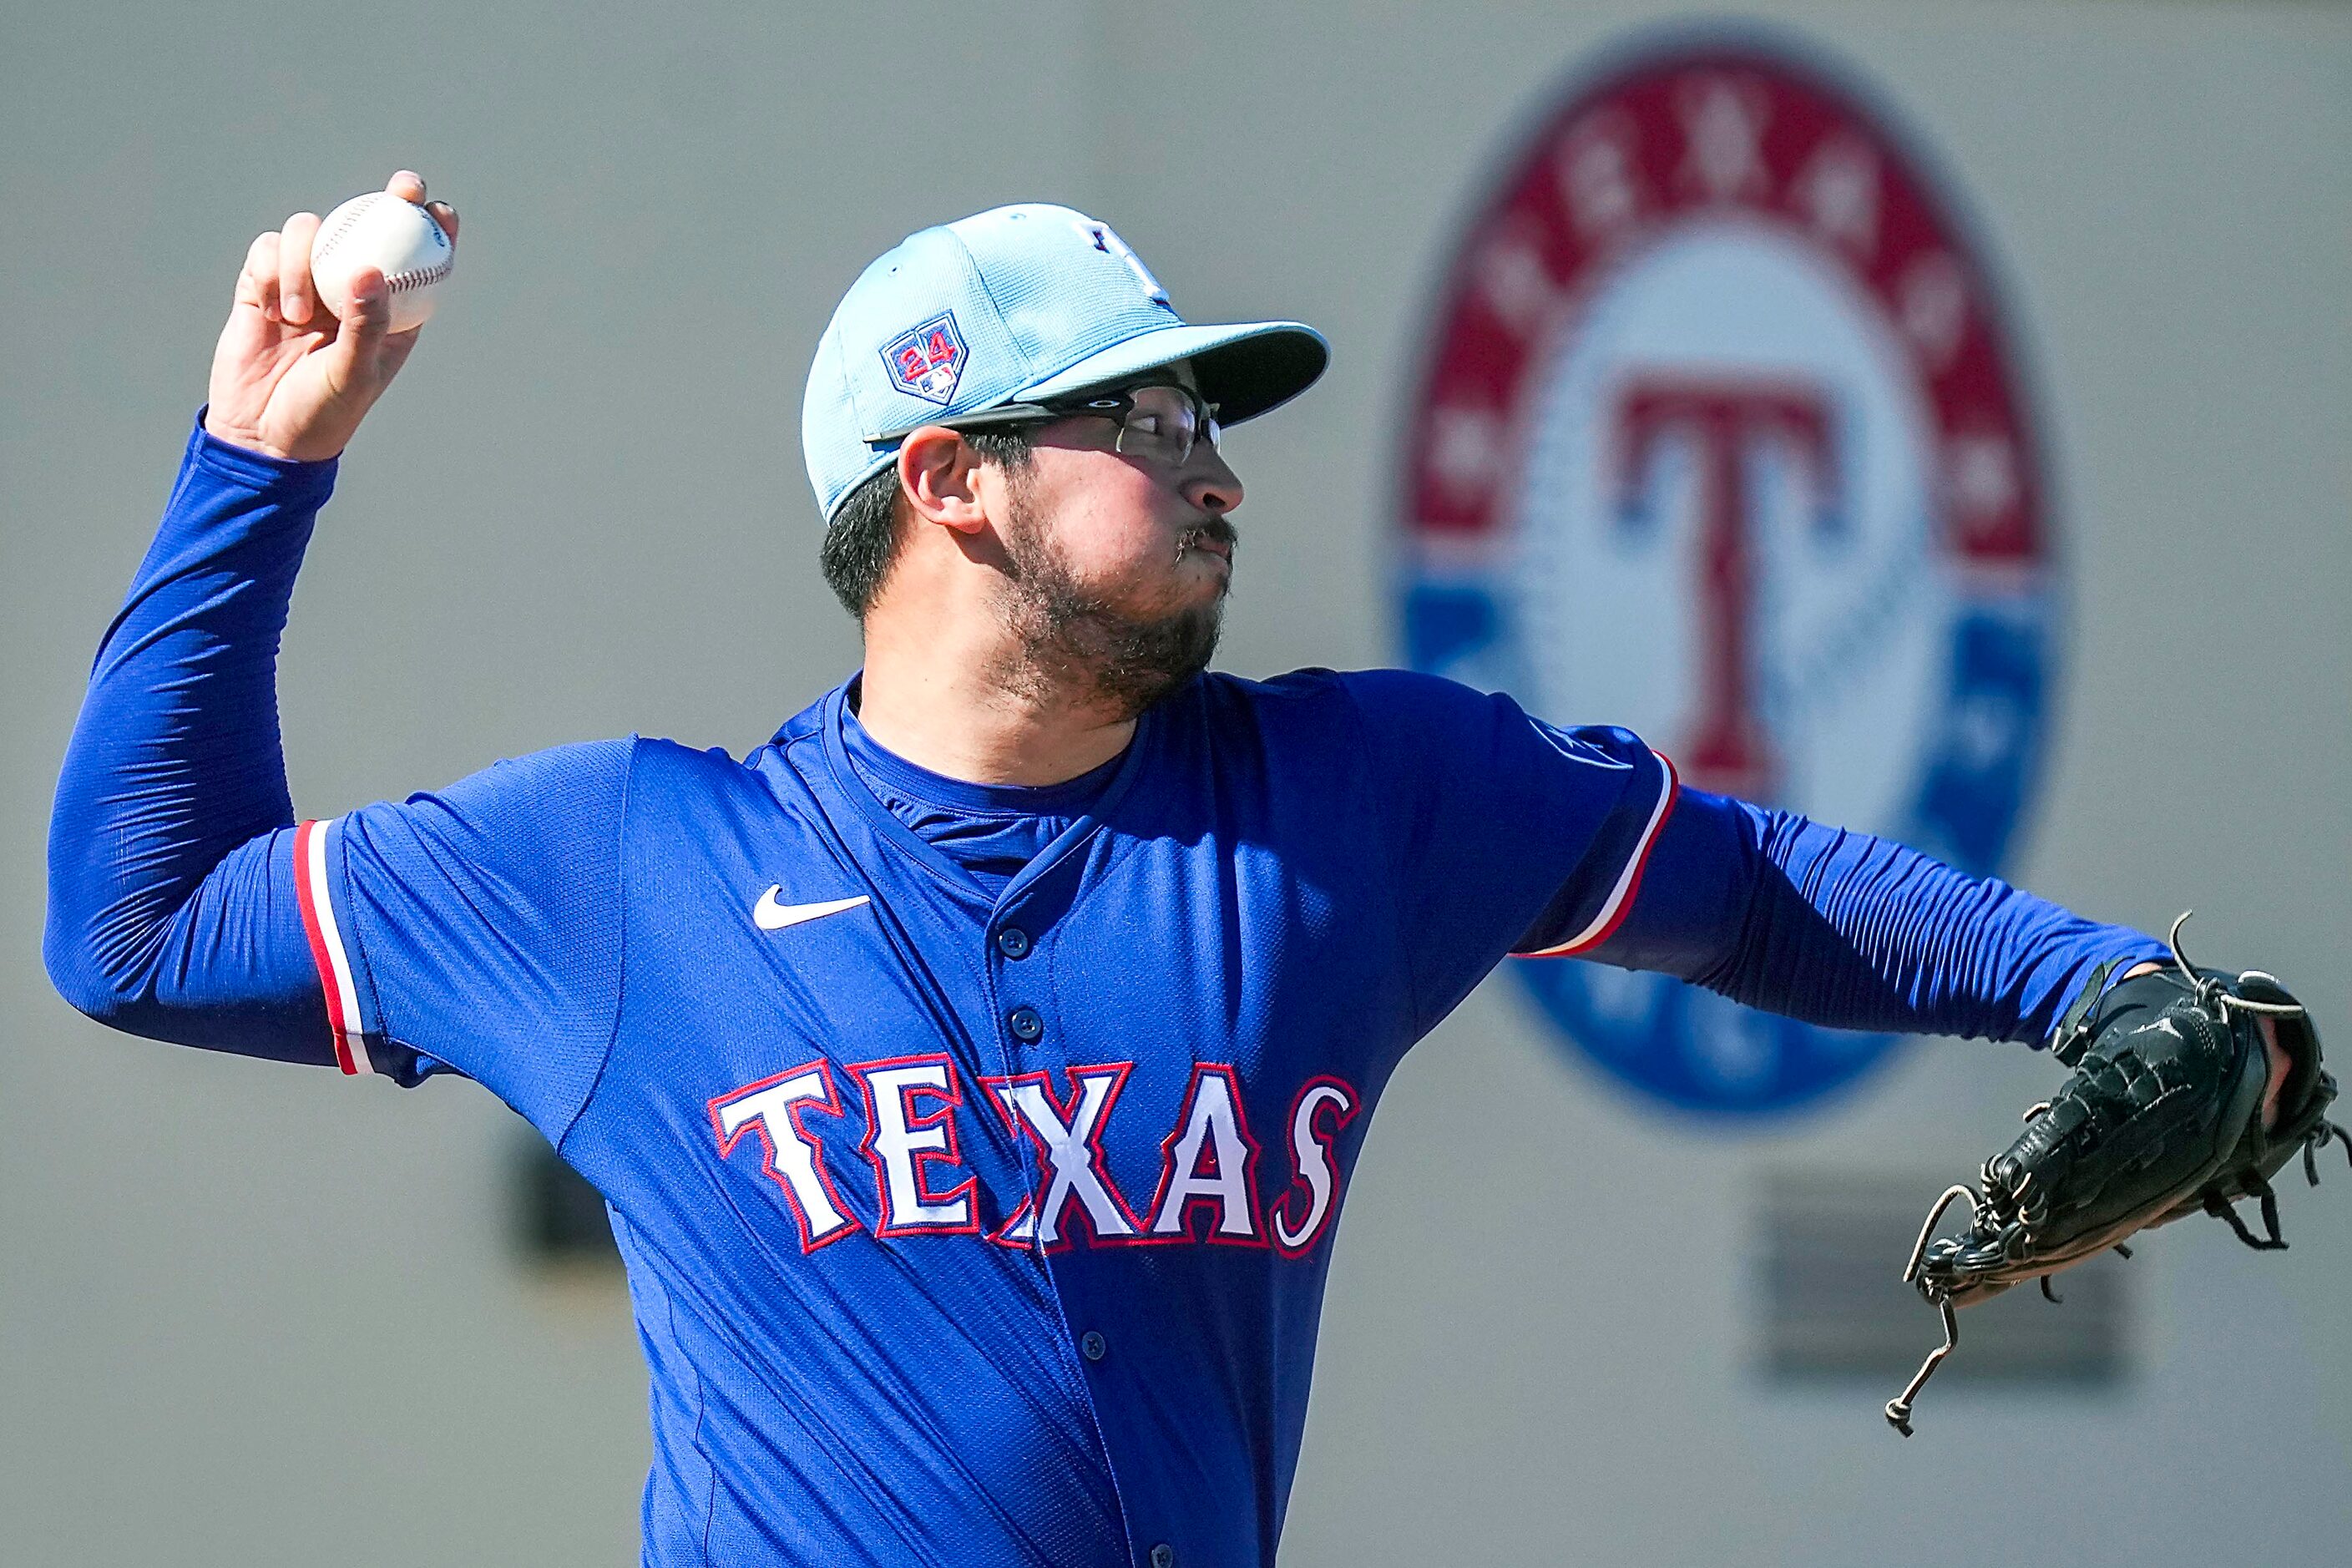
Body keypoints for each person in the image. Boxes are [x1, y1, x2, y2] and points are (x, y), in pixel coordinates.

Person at [43, 171, 2286, 1567]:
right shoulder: (632, 868)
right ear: (946, 480)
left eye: (1206, 419)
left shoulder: (1355, 800)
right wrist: (255, 466)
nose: (1213, 469)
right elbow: (134, 926)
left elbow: (1750, 883)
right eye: (1142, 420)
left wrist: (2095, 991)